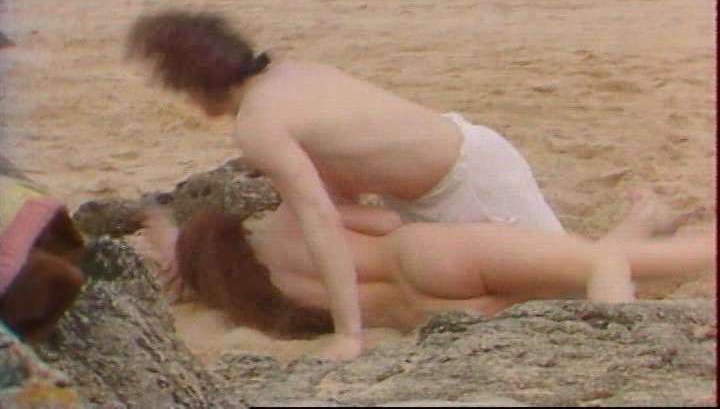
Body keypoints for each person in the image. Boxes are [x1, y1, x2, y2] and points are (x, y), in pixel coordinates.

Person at [125, 10, 563, 359]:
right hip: (452, 166)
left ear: (195, 87)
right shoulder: (291, 75)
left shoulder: (259, 124)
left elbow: (321, 221)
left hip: (468, 181)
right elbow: (339, 193)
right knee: (521, 284)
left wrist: (348, 334)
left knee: (561, 287)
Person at [128, 189, 714, 344]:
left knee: (576, 278)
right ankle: (628, 333)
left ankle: (646, 218)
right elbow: (385, 221)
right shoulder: (286, 220)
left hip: (420, 314)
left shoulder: (257, 303)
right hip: (425, 256)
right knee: (604, 262)